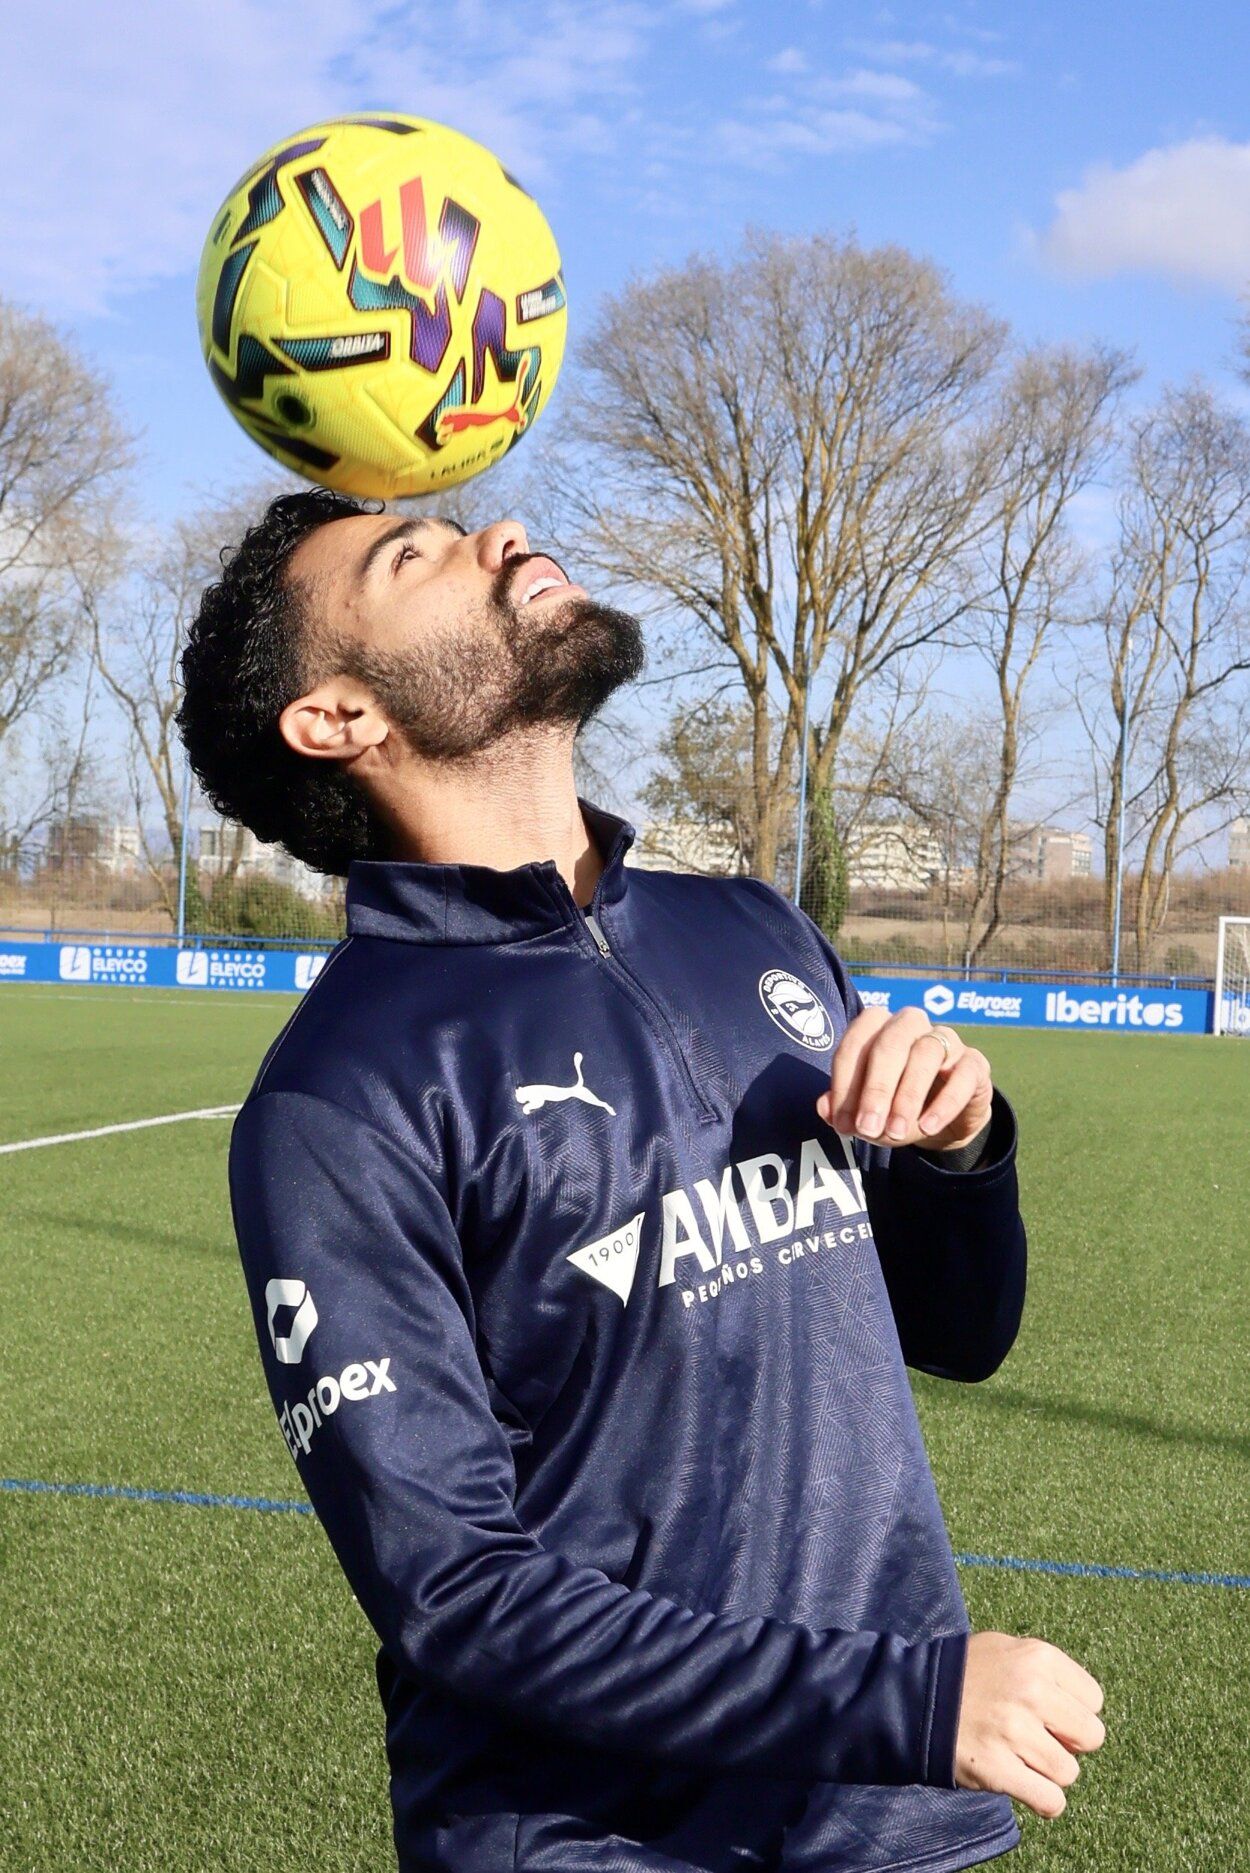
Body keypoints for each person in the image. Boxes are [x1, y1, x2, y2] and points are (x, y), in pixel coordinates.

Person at [176, 490, 1105, 1873]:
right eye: (412, 555)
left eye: (465, 518)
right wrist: (899, 1698)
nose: (497, 535)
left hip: (881, 1821)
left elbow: (959, 1333)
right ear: (336, 717)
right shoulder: (339, 1096)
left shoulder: (751, 926)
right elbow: (459, 1593)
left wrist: (958, 1153)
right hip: (592, 1842)